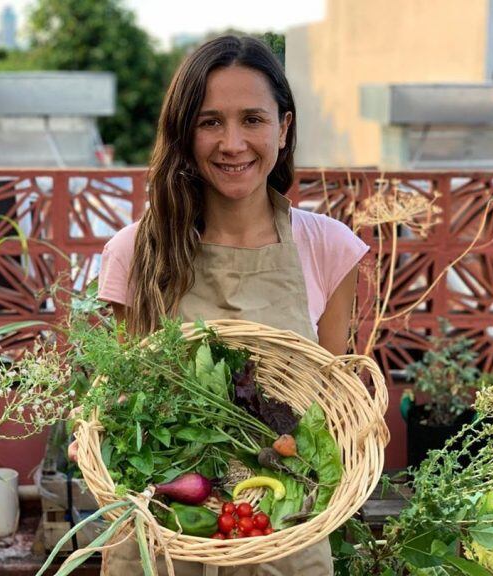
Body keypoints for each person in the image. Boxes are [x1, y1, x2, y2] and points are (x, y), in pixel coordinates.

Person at [80, 35, 369, 575]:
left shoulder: (328, 247)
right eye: (210, 122)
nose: (232, 142)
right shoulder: (136, 253)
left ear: (284, 128)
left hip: (281, 530)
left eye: (252, 119)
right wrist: (95, 429)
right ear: (185, 135)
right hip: (165, 533)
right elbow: (124, 398)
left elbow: (330, 405)